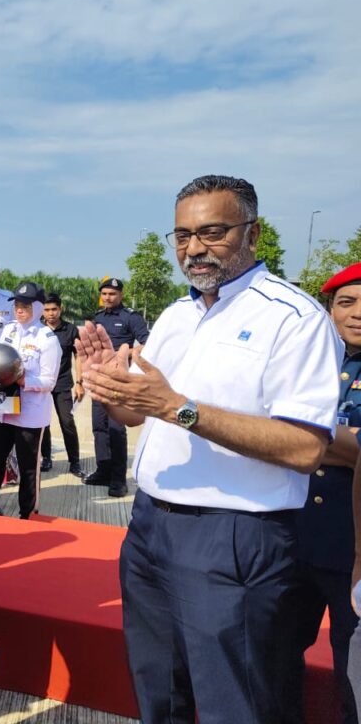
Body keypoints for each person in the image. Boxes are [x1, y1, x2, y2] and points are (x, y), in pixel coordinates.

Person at [78, 174, 341, 724]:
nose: (193, 248)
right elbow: (141, 412)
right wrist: (109, 388)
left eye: (212, 232)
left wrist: (178, 407)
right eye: (182, 235)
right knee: (159, 694)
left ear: (254, 232)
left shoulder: (292, 319)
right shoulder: (177, 315)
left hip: (235, 539)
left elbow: (304, 448)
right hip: (150, 529)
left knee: (236, 704)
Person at [295, 262, 361, 723]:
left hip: (353, 545)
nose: (357, 313)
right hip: (292, 535)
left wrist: (295, 437)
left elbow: (281, 435)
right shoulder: (308, 363)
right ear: (330, 309)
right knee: (274, 650)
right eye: (346, 302)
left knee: (350, 665)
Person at [0, 282, 62, 518]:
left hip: (30, 412)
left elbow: (49, 381)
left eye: (25, 306)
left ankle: (28, 513)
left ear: (38, 308)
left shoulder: (47, 339)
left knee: (29, 467)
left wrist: (23, 380)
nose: (19, 310)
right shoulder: (8, 330)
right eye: (17, 305)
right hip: (4, 408)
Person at [83, 276, 148, 497]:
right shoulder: (98, 317)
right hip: (98, 378)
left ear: (120, 295)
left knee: (116, 429)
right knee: (99, 427)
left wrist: (122, 354)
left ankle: (119, 480)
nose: (108, 297)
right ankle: (103, 470)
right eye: (104, 294)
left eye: (112, 294)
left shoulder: (131, 317)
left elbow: (147, 346)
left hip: (119, 381)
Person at [39, 293, 84, 476]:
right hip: (41, 385)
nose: (51, 313)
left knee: (67, 422)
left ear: (60, 309)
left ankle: (74, 462)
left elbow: (78, 356)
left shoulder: (71, 330)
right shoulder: (37, 330)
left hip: (63, 383)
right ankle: (46, 458)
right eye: (47, 309)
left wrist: (80, 382)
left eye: (54, 309)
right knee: (43, 424)